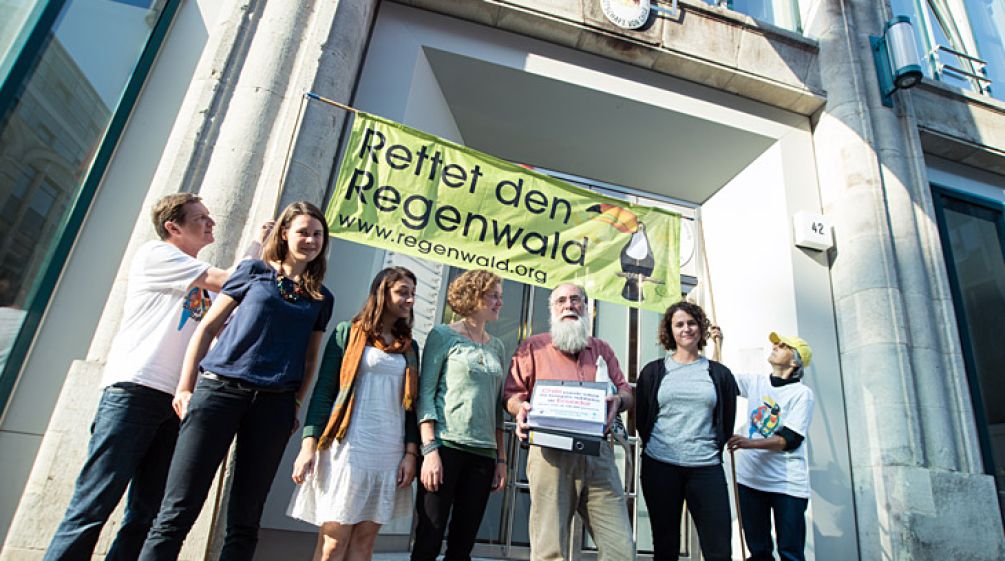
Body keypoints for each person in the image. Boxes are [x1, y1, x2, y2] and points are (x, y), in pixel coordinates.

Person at [43, 193, 270, 561]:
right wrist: (259, 242)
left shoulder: (198, 279)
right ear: (173, 227)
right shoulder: (157, 255)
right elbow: (231, 280)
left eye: (209, 217)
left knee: (146, 513)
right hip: (134, 391)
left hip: (176, 403)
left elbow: (225, 315)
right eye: (201, 218)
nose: (210, 223)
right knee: (93, 505)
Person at [137, 201, 333, 561]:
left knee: (245, 520)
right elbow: (208, 328)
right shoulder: (252, 272)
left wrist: (294, 403)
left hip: (274, 405)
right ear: (285, 234)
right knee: (177, 511)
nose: (311, 240)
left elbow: (309, 359)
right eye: (303, 231)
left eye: (318, 234)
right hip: (219, 393)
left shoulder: (321, 298)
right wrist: (185, 386)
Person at [287, 266, 420, 561]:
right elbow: (324, 391)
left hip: (388, 450)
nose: (410, 300)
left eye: (412, 294)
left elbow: (413, 407)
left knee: (364, 545)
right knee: (334, 542)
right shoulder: (347, 333)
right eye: (402, 292)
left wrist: (411, 454)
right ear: (381, 293)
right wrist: (308, 445)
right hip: (347, 447)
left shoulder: (410, 347)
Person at [504, 283, 635, 561]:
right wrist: (520, 408)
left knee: (621, 550)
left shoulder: (602, 349)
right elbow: (513, 394)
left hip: (598, 456)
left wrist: (619, 401)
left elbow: (625, 390)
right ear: (552, 309)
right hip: (550, 456)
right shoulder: (532, 348)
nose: (569, 305)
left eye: (576, 300)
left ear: (587, 308)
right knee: (550, 551)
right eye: (561, 300)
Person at [411, 270, 508, 561]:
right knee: (429, 539)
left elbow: (497, 408)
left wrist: (501, 459)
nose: (499, 302)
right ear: (473, 296)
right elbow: (425, 395)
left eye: (500, 296)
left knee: (462, 546)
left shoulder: (498, 346)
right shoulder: (443, 335)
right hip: (445, 448)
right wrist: (429, 451)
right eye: (494, 296)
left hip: (484, 455)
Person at [635, 301, 738, 561]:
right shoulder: (653, 371)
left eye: (691, 323)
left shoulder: (719, 373)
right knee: (665, 544)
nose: (686, 329)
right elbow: (643, 417)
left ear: (701, 328)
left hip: (705, 467)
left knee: (719, 548)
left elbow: (726, 419)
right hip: (660, 465)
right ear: (670, 331)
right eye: (679, 324)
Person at [727, 332, 815, 561]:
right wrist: (719, 342)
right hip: (750, 481)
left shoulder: (801, 394)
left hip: (786, 485)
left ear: (794, 361)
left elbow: (789, 440)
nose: (775, 345)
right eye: (776, 343)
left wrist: (749, 443)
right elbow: (722, 380)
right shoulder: (756, 382)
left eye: (783, 345)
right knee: (759, 553)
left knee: (790, 553)